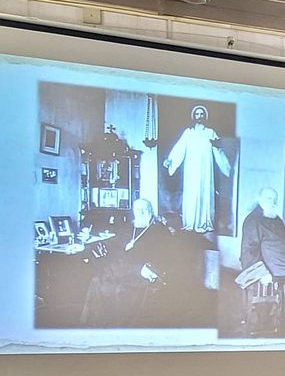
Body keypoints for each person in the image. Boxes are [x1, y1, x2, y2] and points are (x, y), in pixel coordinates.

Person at [80, 199, 172, 327]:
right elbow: (115, 243)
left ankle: (120, 327)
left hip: (142, 272)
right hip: (123, 269)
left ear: (151, 211)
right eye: (137, 209)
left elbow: (165, 256)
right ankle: (94, 325)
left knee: (120, 290)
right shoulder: (129, 227)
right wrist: (94, 243)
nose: (141, 212)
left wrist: (147, 269)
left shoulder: (160, 231)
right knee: (97, 281)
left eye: (144, 209)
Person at [240, 187, 285, 337]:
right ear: (259, 199)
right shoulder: (252, 220)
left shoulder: (274, 218)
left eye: (275, 199)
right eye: (269, 198)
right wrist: (262, 273)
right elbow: (248, 251)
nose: (274, 202)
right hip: (271, 268)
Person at [164, 104, 230, 233]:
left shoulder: (210, 132)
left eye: (201, 114)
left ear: (205, 116)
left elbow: (218, 150)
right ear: (193, 116)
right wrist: (170, 160)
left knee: (205, 193)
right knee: (192, 193)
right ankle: (191, 222)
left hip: (206, 170)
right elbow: (179, 149)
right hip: (191, 169)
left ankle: (204, 222)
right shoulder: (188, 133)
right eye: (197, 114)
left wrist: (223, 159)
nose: (199, 116)